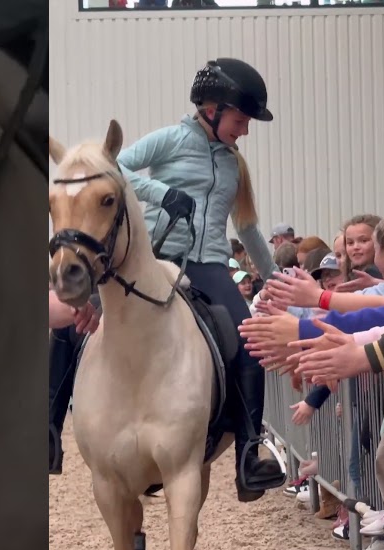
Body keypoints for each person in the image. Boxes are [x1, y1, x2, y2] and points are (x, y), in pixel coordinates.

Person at [114, 57, 284, 501]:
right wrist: (162, 193)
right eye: (240, 121)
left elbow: (247, 227)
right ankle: (51, 425)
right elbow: (113, 166)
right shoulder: (170, 139)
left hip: (209, 263)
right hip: (157, 257)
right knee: (86, 322)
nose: (244, 131)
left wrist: (275, 278)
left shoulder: (233, 164)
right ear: (212, 109)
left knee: (249, 340)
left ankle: (249, 453)